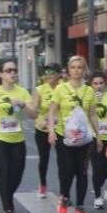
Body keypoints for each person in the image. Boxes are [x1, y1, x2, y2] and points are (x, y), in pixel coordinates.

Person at [0, 60, 38, 213]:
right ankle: (8, 210)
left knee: (16, 176)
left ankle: (7, 195)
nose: (12, 73)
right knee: (5, 173)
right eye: (8, 70)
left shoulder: (22, 92)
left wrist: (23, 105)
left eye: (14, 70)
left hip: (18, 140)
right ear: (1, 74)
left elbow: (33, 115)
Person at [47, 55, 100, 213]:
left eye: (80, 67)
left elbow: (92, 114)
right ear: (68, 70)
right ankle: (64, 197)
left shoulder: (89, 90)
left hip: (84, 139)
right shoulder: (61, 89)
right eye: (73, 67)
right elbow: (52, 111)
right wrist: (51, 131)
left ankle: (80, 206)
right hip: (65, 137)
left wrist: (98, 136)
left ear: (84, 70)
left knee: (82, 172)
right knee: (67, 171)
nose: (76, 70)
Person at [32, 63, 60, 198]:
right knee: (44, 159)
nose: (49, 75)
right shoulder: (40, 89)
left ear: (59, 74)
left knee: (63, 161)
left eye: (52, 72)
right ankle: (42, 184)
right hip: (42, 130)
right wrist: (40, 121)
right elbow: (34, 110)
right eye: (46, 73)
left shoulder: (64, 88)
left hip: (60, 129)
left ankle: (64, 191)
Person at [89, 70, 107, 209]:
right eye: (95, 83)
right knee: (97, 167)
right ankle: (98, 196)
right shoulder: (88, 98)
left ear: (105, 84)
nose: (98, 86)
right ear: (91, 85)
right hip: (94, 137)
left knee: (106, 168)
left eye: (100, 83)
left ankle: (99, 185)